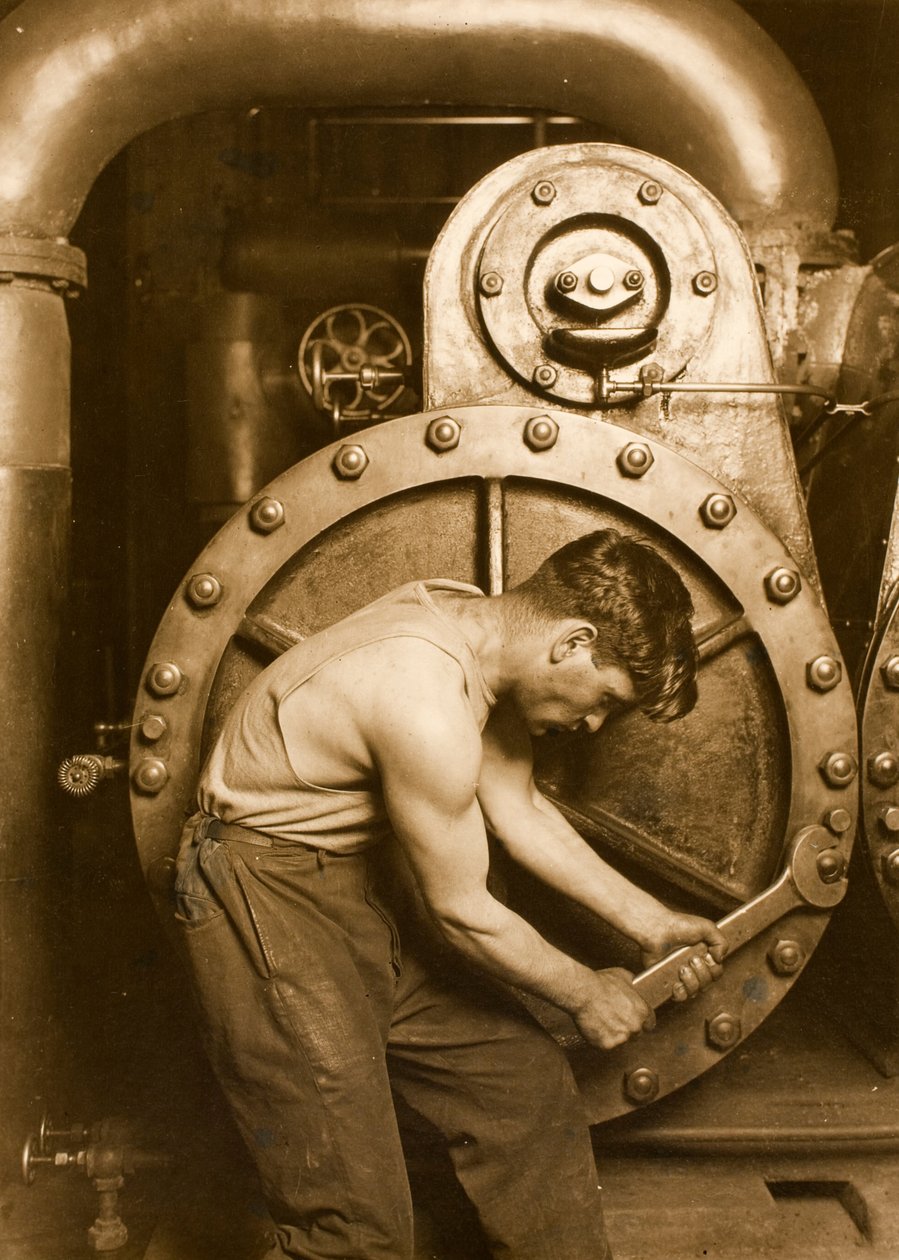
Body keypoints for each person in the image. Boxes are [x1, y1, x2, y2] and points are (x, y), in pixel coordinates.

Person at [174, 527, 727, 1260]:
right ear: (571, 641)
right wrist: (585, 990)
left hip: (355, 887)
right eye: (604, 699)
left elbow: (519, 807)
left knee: (521, 1091)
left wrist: (652, 923)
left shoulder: (473, 628)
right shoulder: (420, 695)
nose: (592, 724)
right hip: (261, 896)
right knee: (355, 1223)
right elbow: (461, 911)